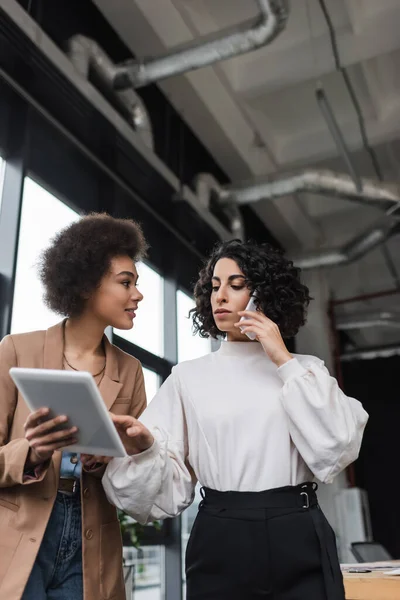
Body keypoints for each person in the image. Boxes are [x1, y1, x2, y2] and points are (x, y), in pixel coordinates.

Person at [103, 239, 369, 600]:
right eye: (214, 286)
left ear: (265, 295)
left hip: (299, 528)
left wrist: (281, 356)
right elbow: (161, 489)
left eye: (237, 285)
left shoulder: (305, 369)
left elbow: (337, 446)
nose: (220, 297)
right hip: (221, 533)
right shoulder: (188, 377)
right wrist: (145, 446)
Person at [0, 213, 148, 600]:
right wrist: (32, 453)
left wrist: (108, 460)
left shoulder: (130, 371)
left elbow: (135, 473)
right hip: (19, 534)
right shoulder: (17, 351)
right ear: (86, 285)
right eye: (126, 282)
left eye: (137, 283)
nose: (138, 294)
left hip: (92, 539)